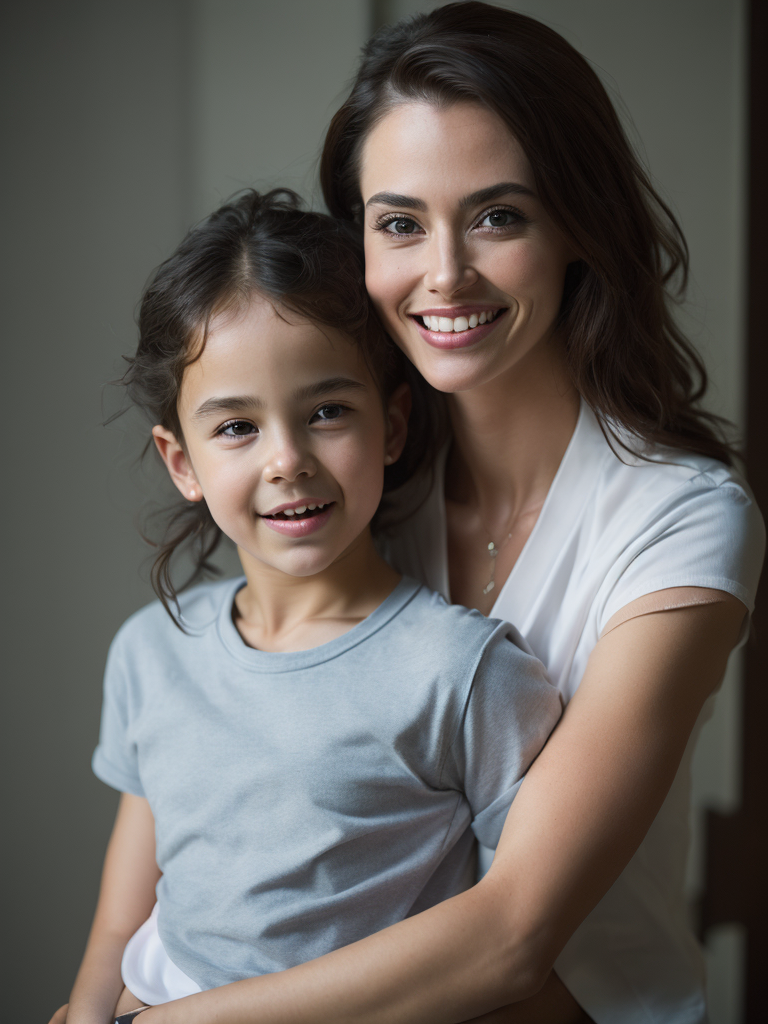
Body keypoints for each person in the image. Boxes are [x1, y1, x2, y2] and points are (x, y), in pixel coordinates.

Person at [54, 5, 760, 1024]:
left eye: (498, 216)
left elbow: (514, 932)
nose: (444, 274)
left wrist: (168, 1020)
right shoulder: (353, 478)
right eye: (399, 223)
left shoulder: (681, 521)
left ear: (578, 225)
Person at [50, 188, 562, 1024]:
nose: (287, 461)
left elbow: (515, 939)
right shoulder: (151, 651)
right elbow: (121, 921)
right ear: (180, 461)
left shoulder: (465, 673)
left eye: (327, 412)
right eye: (237, 428)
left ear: (393, 426)